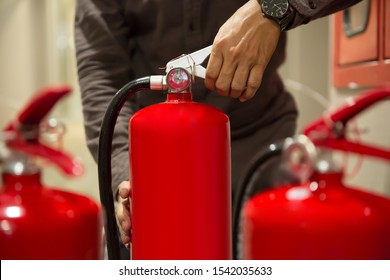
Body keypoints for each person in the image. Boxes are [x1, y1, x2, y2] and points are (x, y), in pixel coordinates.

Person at [74, 0, 362, 259]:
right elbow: (101, 72)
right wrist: (127, 175)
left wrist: (275, 8)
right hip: (155, 167)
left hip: (257, 147)